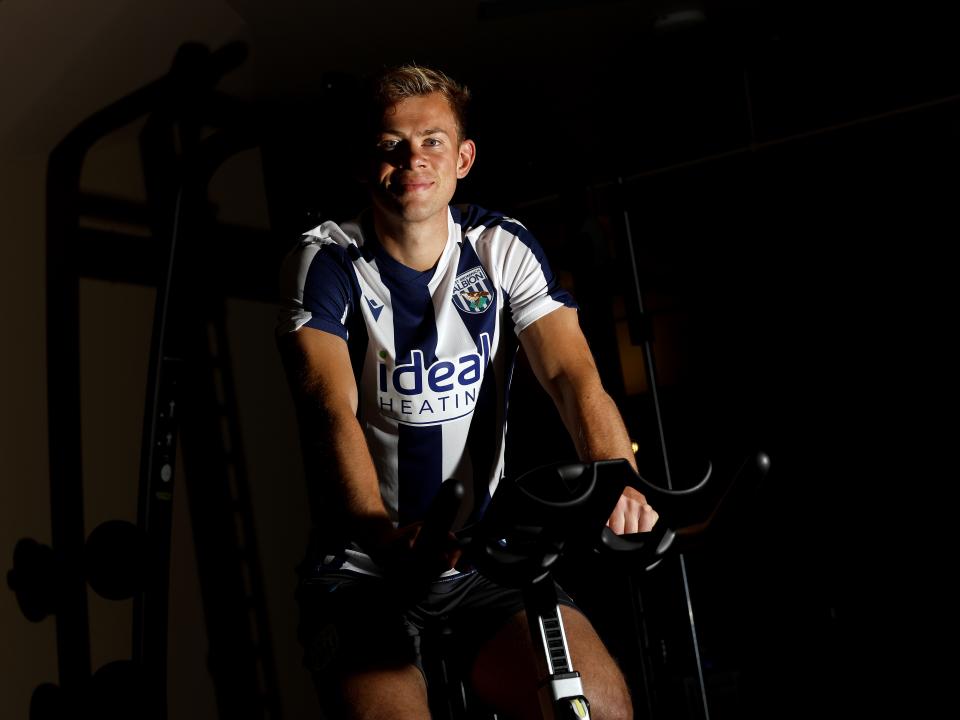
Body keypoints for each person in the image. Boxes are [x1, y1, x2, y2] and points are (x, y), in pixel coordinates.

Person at [275, 62, 658, 720]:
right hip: (367, 564)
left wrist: (616, 477)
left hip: (483, 555)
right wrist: (385, 537)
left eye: (431, 141)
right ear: (366, 164)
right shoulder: (325, 262)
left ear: (464, 158)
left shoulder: (500, 248)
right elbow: (327, 410)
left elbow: (571, 373)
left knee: (598, 707)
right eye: (391, 145)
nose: (413, 159)